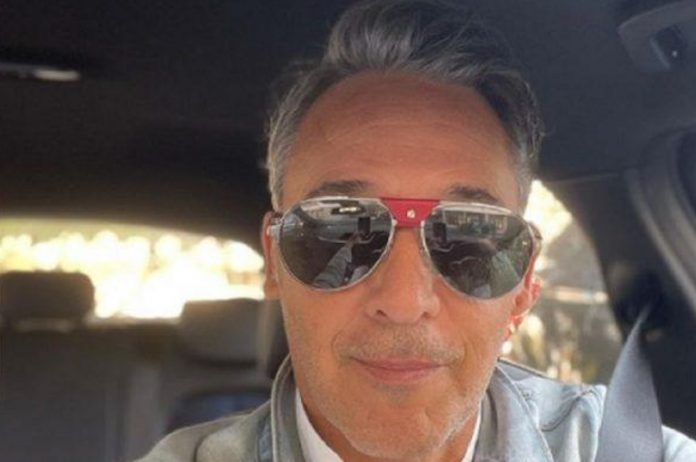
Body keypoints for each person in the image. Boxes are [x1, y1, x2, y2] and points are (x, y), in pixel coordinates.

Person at [137, 0, 696, 460]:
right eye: (339, 231)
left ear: (524, 284)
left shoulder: (627, 450)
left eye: (471, 236)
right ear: (274, 260)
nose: (404, 302)